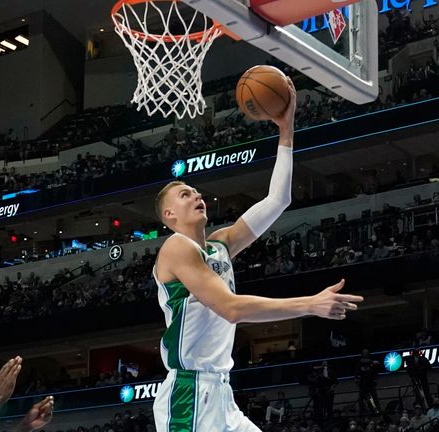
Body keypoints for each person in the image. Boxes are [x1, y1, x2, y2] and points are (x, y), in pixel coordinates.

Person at [151, 79, 363, 432]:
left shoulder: (220, 245)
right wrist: (310, 304)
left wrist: (286, 131)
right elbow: (231, 308)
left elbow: (278, 201)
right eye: (186, 194)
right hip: (189, 394)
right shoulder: (176, 247)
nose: (196, 194)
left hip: (220, 391)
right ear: (169, 217)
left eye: (196, 190)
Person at [356, 349, 381, 415]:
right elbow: (357, 372)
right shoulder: (360, 362)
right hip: (363, 384)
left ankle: (377, 411)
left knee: (374, 398)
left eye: (366, 353)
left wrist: (375, 380)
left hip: (370, 383)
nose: (365, 354)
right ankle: (362, 412)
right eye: (364, 353)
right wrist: (357, 379)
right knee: (361, 400)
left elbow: (375, 371)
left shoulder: (371, 361)